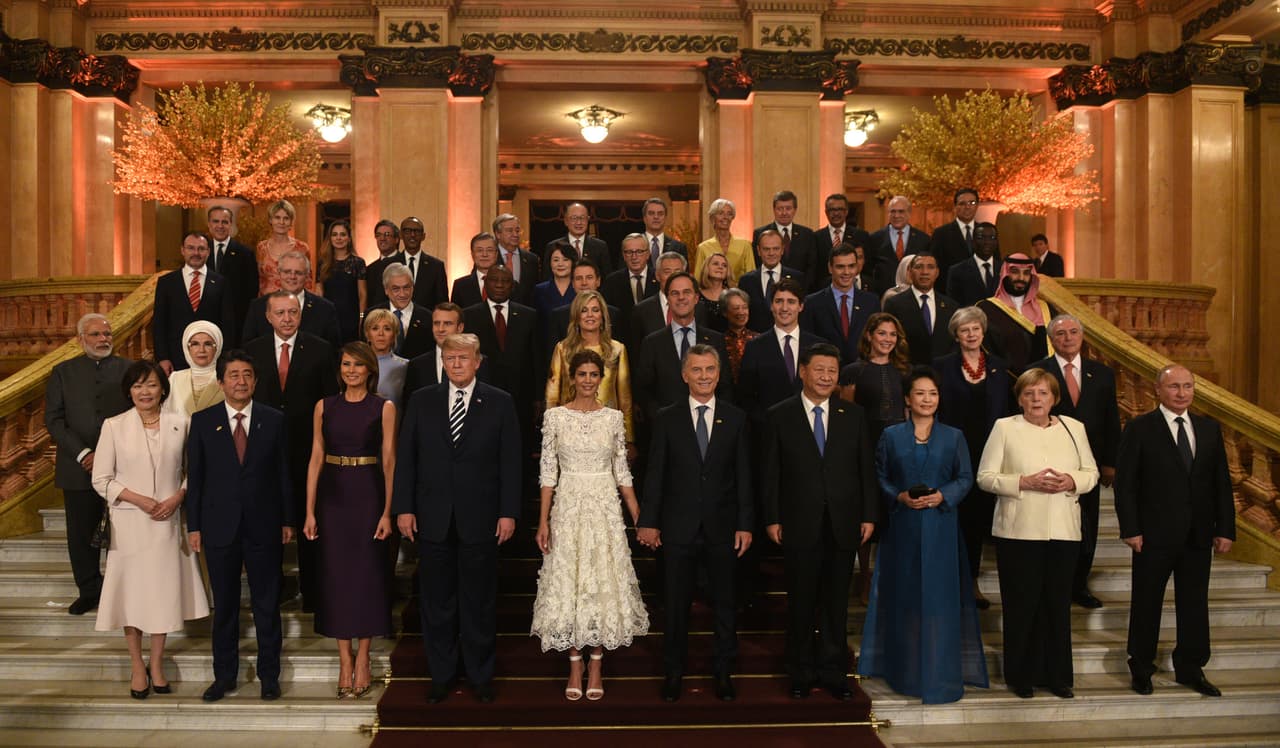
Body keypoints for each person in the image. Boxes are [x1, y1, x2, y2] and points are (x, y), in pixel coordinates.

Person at [393, 333, 522, 704]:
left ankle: (480, 676)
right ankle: (442, 675)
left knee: (478, 602)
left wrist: (508, 512)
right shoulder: (422, 401)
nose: (456, 364)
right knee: (437, 603)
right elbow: (407, 459)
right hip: (432, 518)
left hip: (481, 518)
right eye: (449, 358)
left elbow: (510, 464)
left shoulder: (499, 402)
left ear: (477, 361)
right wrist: (404, 507)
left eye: (463, 358)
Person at [858, 366, 987, 703]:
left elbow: (965, 477)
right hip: (902, 528)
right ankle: (904, 672)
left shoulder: (954, 436)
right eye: (920, 393)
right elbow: (881, 476)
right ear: (907, 398)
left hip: (941, 528)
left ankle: (938, 672)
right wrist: (898, 496)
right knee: (904, 599)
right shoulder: (891, 435)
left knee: (938, 602)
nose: (927, 399)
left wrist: (944, 495)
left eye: (932, 393)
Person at [761, 342, 877, 700]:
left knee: (835, 602)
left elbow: (864, 470)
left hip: (843, 522)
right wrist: (772, 517)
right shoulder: (779, 414)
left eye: (832, 371)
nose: (827, 377)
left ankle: (833, 670)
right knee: (801, 601)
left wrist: (869, 515)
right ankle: (800, 671)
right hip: (798, 522)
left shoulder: (852, 415)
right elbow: (770, 473)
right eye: (819, 370)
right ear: (803, 371)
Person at [532, 349, 648, 701]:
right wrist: (543, 521)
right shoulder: (554, 418)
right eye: (581, 374)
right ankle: (574, 663)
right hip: (568, 505)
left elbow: (621, 471)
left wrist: (638, 514)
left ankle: (595, 661)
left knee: (599, 580)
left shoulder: (614, 418)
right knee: (571, 580)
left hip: (603, 508)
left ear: (601, 379)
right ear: (572, 377)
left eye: (593, 375)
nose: (587, 380)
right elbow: (548, 473)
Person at [638, 345, 752, 703]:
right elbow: (655, 473)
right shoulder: (667, 417)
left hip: (723, 527)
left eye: (710, 370)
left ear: (719, 374)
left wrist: (745, 523)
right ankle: (673, 672)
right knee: (675, 605)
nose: (704, 376)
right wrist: (649, 521)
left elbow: (745, 476)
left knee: (724, 604)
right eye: (697, 370)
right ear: (684, 375)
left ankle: (723, 671)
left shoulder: (736, 418)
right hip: (677, 527)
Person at [977, 368, 1099, 700]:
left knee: (1057, 605)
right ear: (1019, 398)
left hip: (1063, 530)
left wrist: (1071, 480)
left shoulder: (1074, 428)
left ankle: (1058, 676)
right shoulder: (1005, 428)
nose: (1036, 399)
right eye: (1029, 393)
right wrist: (1023, 482)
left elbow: (1092, 473)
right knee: (1022, 605)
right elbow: (985, 477)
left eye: (1043, 393)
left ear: (1054, 398)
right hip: (1018, 531)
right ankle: (1022, 675)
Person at [1115, 364, 1235, 698]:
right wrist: (1131, 528)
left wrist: (1225, 528)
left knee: (1194, 603)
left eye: (1187, 386)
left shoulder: (1209, 429)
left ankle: (1191, 667)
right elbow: (1126, 485)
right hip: (1152, 535)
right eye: (1174, 387)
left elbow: (1221, 484)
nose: (1182, 393)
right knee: (1147, 602)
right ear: (1158, 390)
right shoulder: (1140, 428)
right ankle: (1141, 666)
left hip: (1198, 535)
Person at [92, 360, 209, 699]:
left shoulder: (180, 423)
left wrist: (178, 496)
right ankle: (136, 665)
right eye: (138, 385)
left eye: (152, 385)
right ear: (129, 391)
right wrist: (138, 499)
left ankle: (156, 663)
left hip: (167, 522)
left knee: (160, 594)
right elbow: (101, 478)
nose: (145, 391)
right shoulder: (114, 426)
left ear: (163, 389)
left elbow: (193, 471)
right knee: (131, 595)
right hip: (130, 522)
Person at [186, 351, 295, 703]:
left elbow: (283, 474)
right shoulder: (202, 421)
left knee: (266, 605)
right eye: (233, 375)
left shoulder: (273, 420)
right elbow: (197, 478)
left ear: (255, 381)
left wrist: (287, 519)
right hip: (219, 527)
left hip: (264, 525)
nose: (241, 381)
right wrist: (194, 526)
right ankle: (225, 677)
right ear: (221, 382)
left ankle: (268, 677)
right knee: (226, 607)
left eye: (247, 375)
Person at [304, 342, 396, 699]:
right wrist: (310, 510)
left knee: (368, 577)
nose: (352, 371)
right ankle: (345, 659)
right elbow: (315, 457)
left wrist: (388, 511)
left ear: (370, 370)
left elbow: (389, 462)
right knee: (337, 578)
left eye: (358, 365)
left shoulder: (383, 407)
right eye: (346, 364)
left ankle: (364, 657)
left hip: (369, 495)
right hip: (333, 496)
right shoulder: (324, 406)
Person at [243, 291, 338, 613]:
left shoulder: (321, 349)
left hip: (307, 452)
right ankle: (274, 590)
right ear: (268, 316)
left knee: (310, 523)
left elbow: (329, 404)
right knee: (268, 526)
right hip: (264, 454)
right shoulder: (252, 351)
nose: (287, 318)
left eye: (292, 312)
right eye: (280, 313)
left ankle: (313, 592)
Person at [1030, 314, 1121, 610]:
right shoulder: (1037, 372)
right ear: (1052, 340)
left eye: (1073, 332)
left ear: (1082, 337)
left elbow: (1111, 420)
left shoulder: (1103, 374)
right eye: (1060, 334)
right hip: (1049, 462)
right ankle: (1051, 585)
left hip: (1089, 466)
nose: (1067, 338)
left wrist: (1110, 462)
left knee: (1087, 526)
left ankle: (1079, 585)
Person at [45, 313, 132, 616]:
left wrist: (109, 454)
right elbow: (53, 420)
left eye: (107, 334)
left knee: (126, 532)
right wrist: (84, 454)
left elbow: (138, 415)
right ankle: (89, 590)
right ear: (81, 339)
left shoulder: (129, 370)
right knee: (81, 534)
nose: (103, 339)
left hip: (123, 468)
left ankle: (124, 590)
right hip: (77, 468)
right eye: (95, 335)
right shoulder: (62, 372)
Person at [934, 306, 1012, 610]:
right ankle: (945, 582)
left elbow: (1004, 412)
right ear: (956, 335)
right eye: (964, 330)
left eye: (975, 329)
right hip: (951, 451)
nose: (970, 334)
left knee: (976, 521)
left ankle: (971, 582)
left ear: (982, 332)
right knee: (951, 517)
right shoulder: (941, 366)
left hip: (988, 452)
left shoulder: (998, 367)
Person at [838, 311, 911, 603]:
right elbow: (846, 415)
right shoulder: (853, 371)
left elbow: (909, 414)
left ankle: (887, 576)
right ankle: (864, 576)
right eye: (882, 333)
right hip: (864, 448)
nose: (887, 340)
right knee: (866, 511)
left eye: (893, 334)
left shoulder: (905, 372)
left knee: (892, 512)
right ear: (869, 335)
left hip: (898, 451)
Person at [636, 271, 732, 424]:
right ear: (667, 299)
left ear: (696, 298)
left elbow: (725, 386)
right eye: (675, 293)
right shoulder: (652, 343)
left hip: (708, 423)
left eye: (686, 292)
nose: (681, 298)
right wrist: (661, 419)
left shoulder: (715, 340)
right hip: (666, 427)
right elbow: (644, 391)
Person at [545, 290, 634, 446]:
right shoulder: (562, 349)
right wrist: (550, 436)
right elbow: (552, 396)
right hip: (569, 430)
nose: (590, 315)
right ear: (576, 317)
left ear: (603, 316)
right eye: (584, 310)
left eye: (595, 310)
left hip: (607, 432)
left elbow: (625, 400)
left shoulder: (617, 350)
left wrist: (629, 440)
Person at [153, 231, 234, 374]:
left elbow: (227, 324)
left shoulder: (221, 282)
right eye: (191, 248)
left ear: (208, 251)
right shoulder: (167, 283)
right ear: (182, 250)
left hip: (212, 360)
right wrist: (163, 358)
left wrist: (225, 359)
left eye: (201, 249)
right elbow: (159, 324)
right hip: (176, 360)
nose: (196, 253)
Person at [801, 242, 881, 366]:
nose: (846, 272)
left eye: (851, 266)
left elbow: (875, 341)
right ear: (830, 268)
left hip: (862, 373)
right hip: (826, 374)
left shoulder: (872, 302)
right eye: (840, 267)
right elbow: (808, 344)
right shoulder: (812, 303)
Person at [242, 251, 342, 349]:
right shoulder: (258, 306)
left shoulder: (325, 309)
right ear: (279, 273)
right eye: (287, 272)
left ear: (307, 276)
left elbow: (333, 351)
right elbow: (248, 348)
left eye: (298, 273)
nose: (292, 277)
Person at [976, 254, 1052, 374]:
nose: (1021, 278)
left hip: (1040, 382)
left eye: (1026, 273)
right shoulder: (987, 309)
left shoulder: (1045, 309)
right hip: (1002, 379)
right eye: (1015, 272)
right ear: (1005, 274)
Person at [883, 253, 958, 366]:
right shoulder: (894, 304)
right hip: (907, 372)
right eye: (918, 267)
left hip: (943, 374)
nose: (924, 272)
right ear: (909, 271)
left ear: (937, 272)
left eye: (930, 267)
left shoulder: (951, 306)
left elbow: (954, 342)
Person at [205, 205, 259, 340]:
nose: (220, 226)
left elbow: (252, 290)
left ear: (231, 224)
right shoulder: (201, 252)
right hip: (206, 322)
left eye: (224, 222)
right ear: (209, 224)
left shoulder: (245, 253)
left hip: (236, 323)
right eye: (215, 221)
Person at [738, 229, 803, 333]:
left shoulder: (797, 278)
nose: (771, 253)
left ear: (782, 250)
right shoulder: (746, 280)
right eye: (766, 249)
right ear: (759, 251)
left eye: (776, 249)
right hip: (755, 338)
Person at [315, 219, 367, 344]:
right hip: (329, 317)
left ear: (349, 238)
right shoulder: (322, 263)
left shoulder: (358, 263)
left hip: (351, 319)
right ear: (330, 238)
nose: (338, 238)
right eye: (335, 234)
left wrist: (361, 319)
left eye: (343, 234)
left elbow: (362, 295)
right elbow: (319, 293)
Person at [602, 233, 659, 346]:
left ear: (648, 254)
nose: (634, 257)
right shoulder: (612, 281)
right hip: (623, 345)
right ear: (623, 255)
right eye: (629, 252)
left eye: (639, 251)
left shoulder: (659, 279)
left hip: (655, 344)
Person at [867, 196, 930, 294]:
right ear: (888, 213)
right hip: (883, 294)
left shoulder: (923, 239)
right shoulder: (875, 238)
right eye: (893, 211)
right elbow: (869, 269)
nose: (896, 215)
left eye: (901, 211)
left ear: (909, 214)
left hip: (914, 295)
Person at [162, 321, 225, 418]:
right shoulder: (174, 378)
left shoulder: (227, 379)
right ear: (187, 348)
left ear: (217, 348)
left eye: (208, 344)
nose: (201, 350)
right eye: (195, 344)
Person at [812, 193, 871, 293]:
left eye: (840, 209)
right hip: (823, 291)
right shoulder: (816, 237)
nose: (836, 213)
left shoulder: (861, 235)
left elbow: (867, 266)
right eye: (832, 210)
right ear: (826, 212)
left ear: (846, 212)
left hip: (853, 288)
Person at [926, 188, 981, 295]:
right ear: (955, 207)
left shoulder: (986, 231)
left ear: (977, 205)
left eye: (972, 203)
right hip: (951, 294)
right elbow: (934, 266)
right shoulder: (941, 234)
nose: (967, 207)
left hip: (981, 294)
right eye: (962, 203)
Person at [256, 199, 313, 296]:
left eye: (286, 218)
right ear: (270, 220)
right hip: (267, 303)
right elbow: (259, 279)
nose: (281, 222)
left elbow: (308, 281)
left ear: (291, 222)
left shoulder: (302, 248)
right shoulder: (261, 248)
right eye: (277, 218)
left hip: (293, 304)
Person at [379, 262, 433, 360]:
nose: (402, 294)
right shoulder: (372, 316)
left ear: (413, 288)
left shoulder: (428, 318)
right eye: (396, 289)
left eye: (406, 288)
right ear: (386, 290)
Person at [543, 202, 611, 277]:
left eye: (582, 218)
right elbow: (547, 277)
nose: (579, 222)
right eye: (574, 218)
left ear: (588, 220)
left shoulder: (600, 246)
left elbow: (606, 278)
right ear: (566, 221)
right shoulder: (553, 246)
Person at [396, 217, 449, 311]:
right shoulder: (389, 264)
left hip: (426, 323)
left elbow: (442, 303)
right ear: (400, 235)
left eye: (417, 231)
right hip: (394, 322)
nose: (413, 235)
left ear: (423, 236)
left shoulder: (436, 266)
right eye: (408, 231)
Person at [694, 198, 756, 280]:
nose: (725, 217)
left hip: (739, 291)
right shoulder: (703, 248)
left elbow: (751, 276)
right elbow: (698, 279)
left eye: (729, 214)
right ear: (713, 218)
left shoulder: (745, 245)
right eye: (721, 213)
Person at [533, 241, 578, 351]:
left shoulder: (580, 289)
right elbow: (536, 327)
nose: (560, 264)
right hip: (547, 348)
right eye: (556, 260)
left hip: (577, 347)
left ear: (573, 262)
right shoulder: (539, 290)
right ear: (550, 263)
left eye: (565, 260)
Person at [946, 222, 1003, 308]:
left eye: (992, 238)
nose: (987, 242)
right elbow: (953, 305)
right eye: (981, 237)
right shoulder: (957, 271)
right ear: (972, 241)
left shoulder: (1004, 269)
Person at [362, 309, 408, 410]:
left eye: (387, 329)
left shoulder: (405, 366)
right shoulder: (357, 364)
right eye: (375, 328)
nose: (381, 333)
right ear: (367, 335)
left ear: (394, 336)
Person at [493, 213, 541, 306]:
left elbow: (535, 292)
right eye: (510, 231)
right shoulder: (490, 258)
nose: (515, 234)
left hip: (524, 313)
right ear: (498, 234)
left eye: (517, 230)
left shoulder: (531, 259)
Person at [450, 232, 501, 309]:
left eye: (489, 250)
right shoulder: (460, 285)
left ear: (496, 254)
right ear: (472, 254)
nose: (484, 254)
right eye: (479, 250)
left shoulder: (509, 284)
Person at [720, 288, 758, 384]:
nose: (741, 312)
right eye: (736, 308)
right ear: (725, 312)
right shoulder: (718, 341)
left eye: (744, 307)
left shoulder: (759, 339)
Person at [365, 220, 405, 311]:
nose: (382, 238)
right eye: (378, 235)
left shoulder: (405, 264)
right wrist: (362, 317)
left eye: (387, 234)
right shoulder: (369, 269)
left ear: (396, 239)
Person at [641, 196, 688, 265]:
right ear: (644, 218)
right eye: (651, 213)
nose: (656, 217)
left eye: (660, 214)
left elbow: (683, 275)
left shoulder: (679, 247)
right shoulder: (632, 245)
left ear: (665, 218)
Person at [696, 251, 734, 331]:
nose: (720, 267)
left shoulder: (733, 296)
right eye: (715, 264)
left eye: (724, 265)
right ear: (707, 267)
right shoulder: (696, 295)